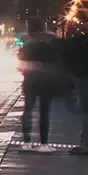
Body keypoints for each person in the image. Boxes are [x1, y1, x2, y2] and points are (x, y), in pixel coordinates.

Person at [62, 10, 88, 155]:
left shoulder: (87, 38)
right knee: (86, 111)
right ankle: (86, 143)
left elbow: (75, 51)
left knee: (86, 112)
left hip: (85, 76)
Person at [18, 16, 61, 152]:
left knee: (28, 110)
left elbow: (21, 59)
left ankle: (26, 142)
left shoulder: (26, 41)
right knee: (45, 111)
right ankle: (44, 144)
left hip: (30, 79)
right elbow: (56, 59)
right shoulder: (51, 41)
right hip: (46, 79)